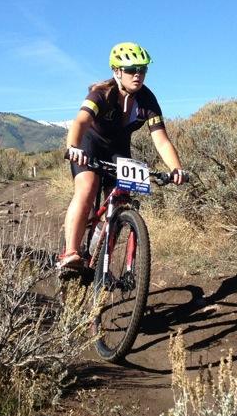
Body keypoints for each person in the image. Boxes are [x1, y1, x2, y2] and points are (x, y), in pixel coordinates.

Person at [59, 42, 186, 270]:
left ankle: (98, 255)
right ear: (117, 71)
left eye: (143, 69)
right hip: (90, 144)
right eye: (131, 69)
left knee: (121, 200)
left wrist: (176, 169)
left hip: (119, 149)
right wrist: (73, 147)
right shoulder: (102, 93)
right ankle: (70, 253)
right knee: (87, 188)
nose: (138, 74)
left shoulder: (148, 100)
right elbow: (80, 122)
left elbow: (161, 139)